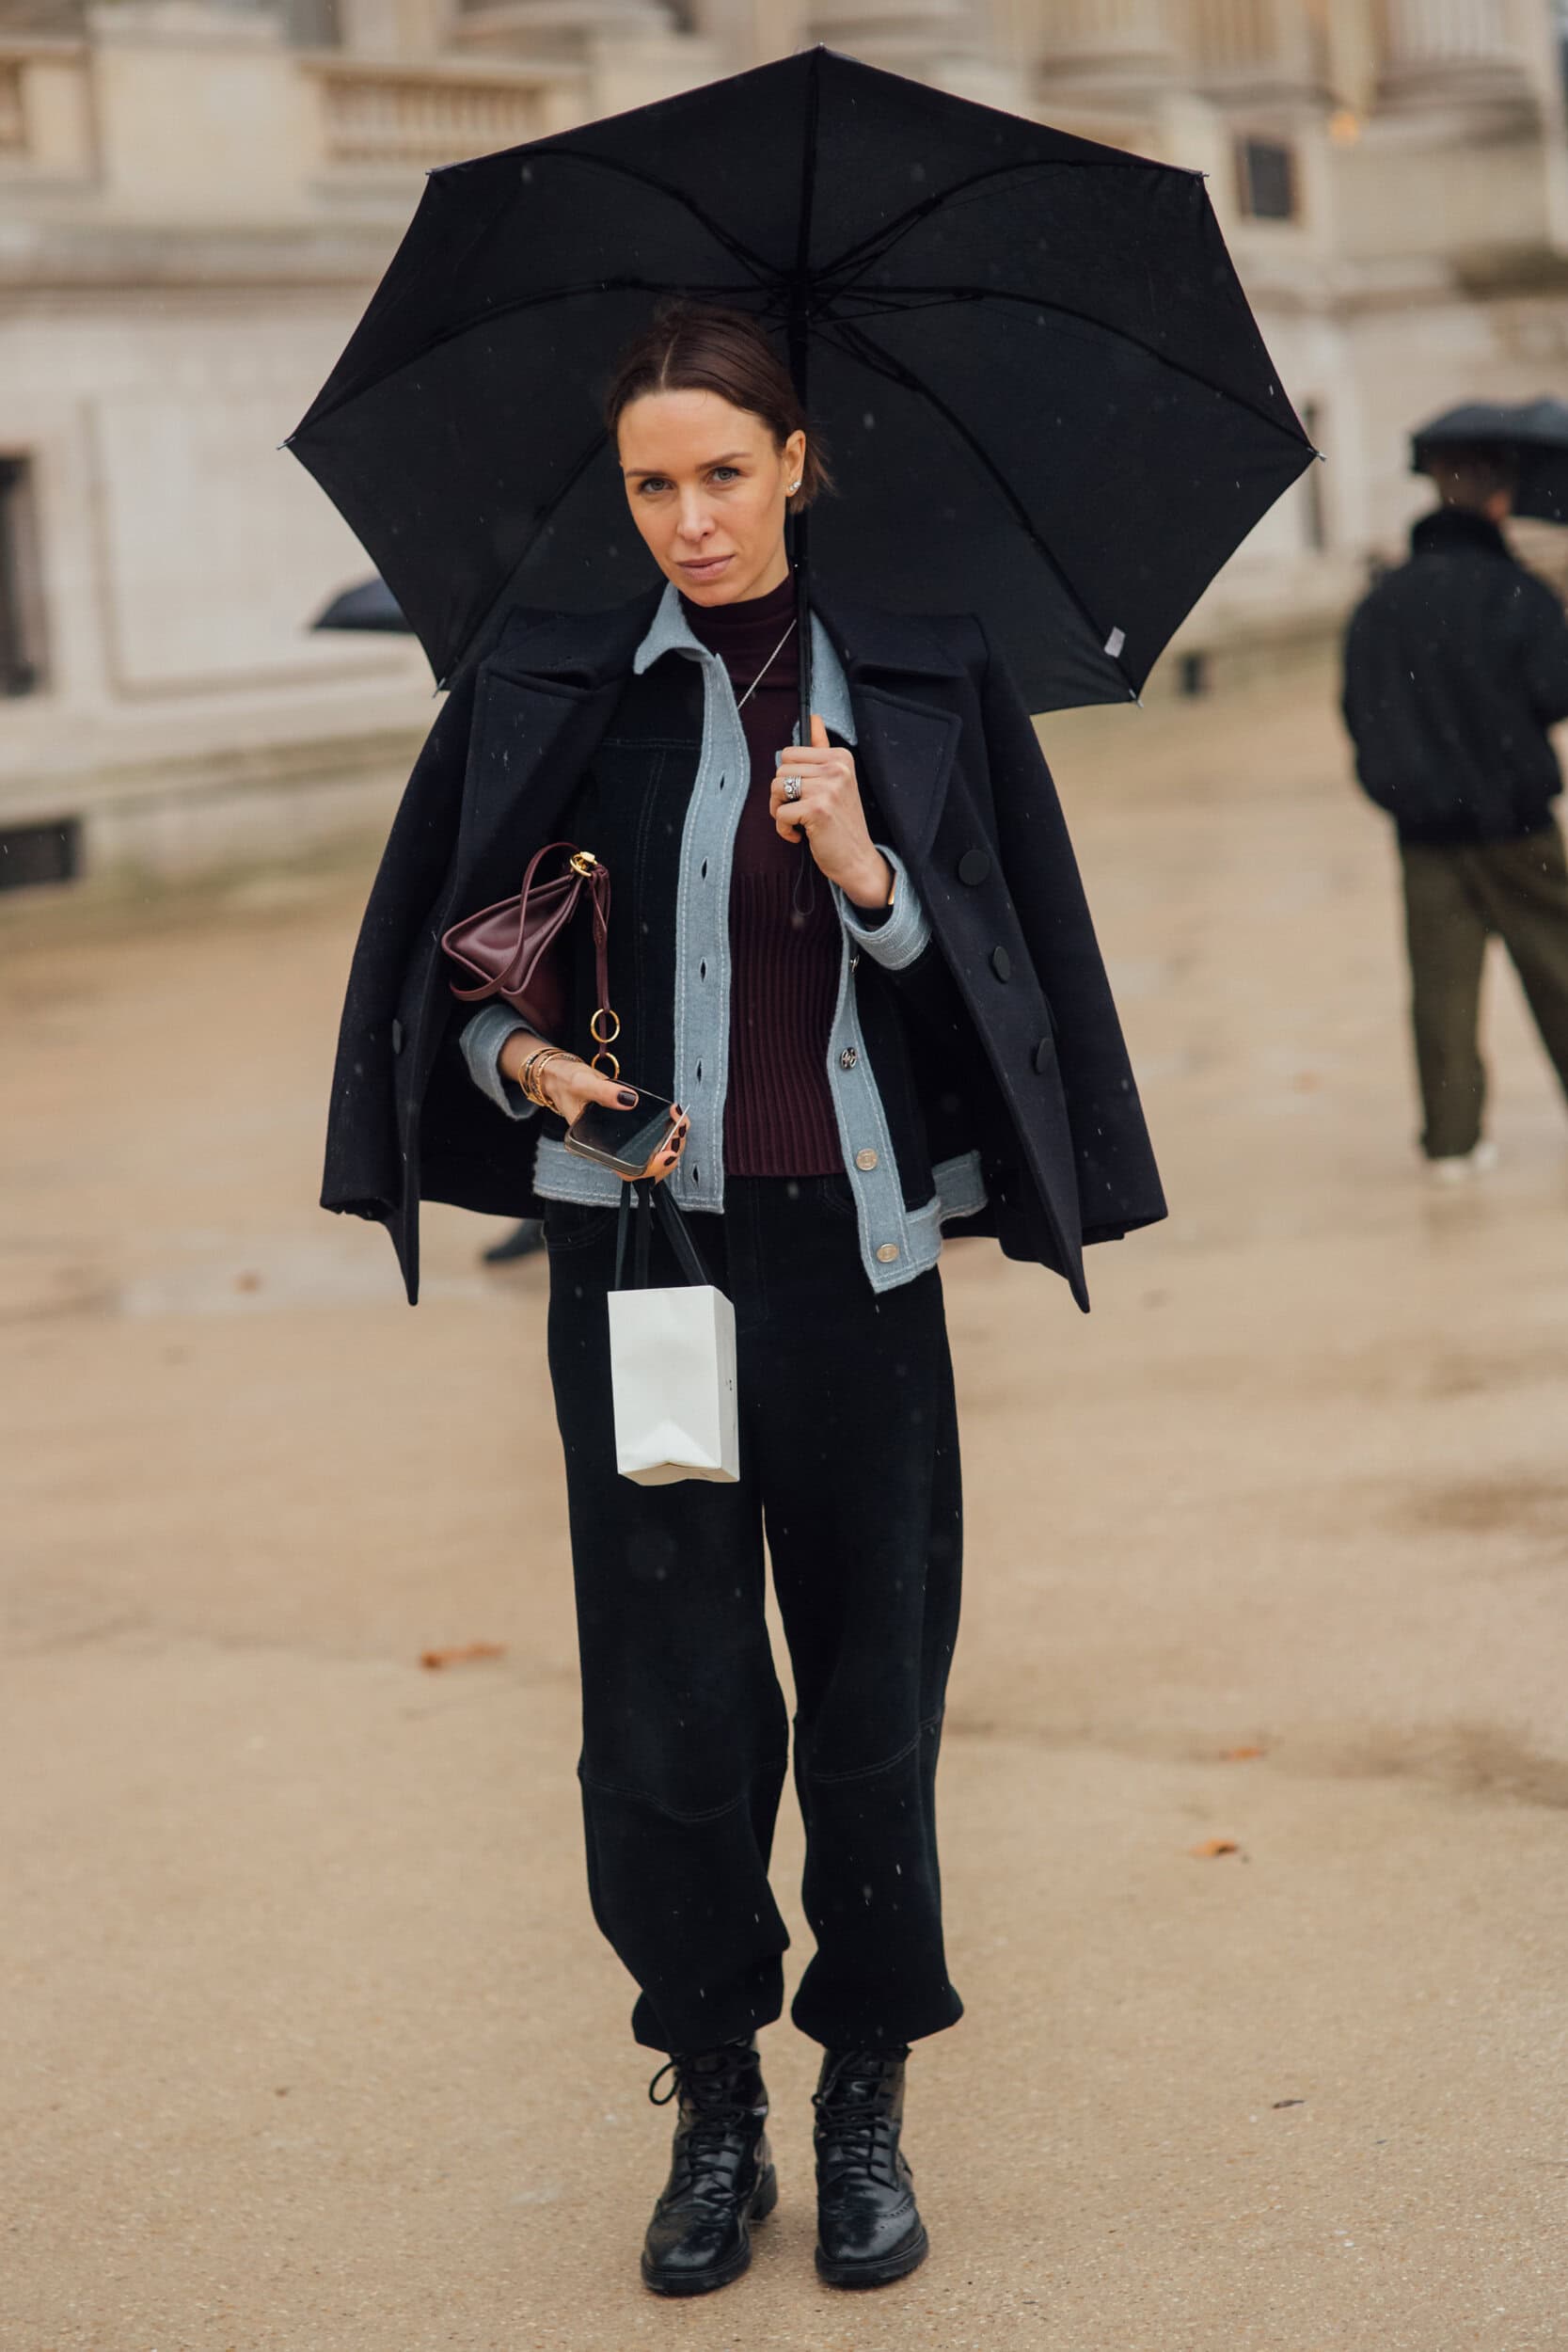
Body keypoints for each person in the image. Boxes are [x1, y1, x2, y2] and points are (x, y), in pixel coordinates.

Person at [321, 303, 1164, 2296]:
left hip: (857, 1270)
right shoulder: (555, 688)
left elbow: (1014, 987)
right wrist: (523, 1066)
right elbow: (465, 976)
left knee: (870, 1707)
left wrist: (871, 874)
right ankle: (711, 2094)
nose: (686, 518)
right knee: (670, 1718)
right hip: (642, 1265)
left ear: (795, 464)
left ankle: (860, 2085)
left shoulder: (923, 678)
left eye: (719, 472)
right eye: (649, 484)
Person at [1342, 444, 1568, 1179]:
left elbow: (1358, 711)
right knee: (1561, 972)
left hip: (1424, 831)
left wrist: (1402, 786)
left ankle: (1451, 1142)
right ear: (1499, 503)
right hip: (1517, 825)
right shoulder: (1518, 594)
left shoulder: (1380, 603)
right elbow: (1554, 694)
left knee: (1439, 992)